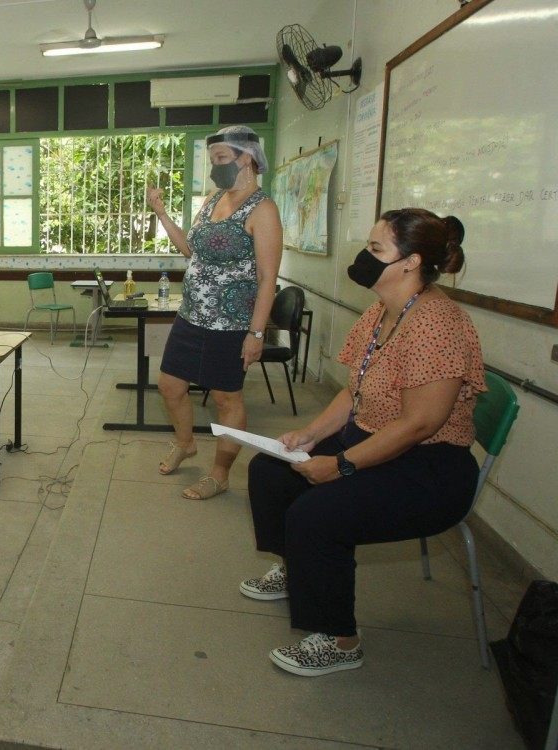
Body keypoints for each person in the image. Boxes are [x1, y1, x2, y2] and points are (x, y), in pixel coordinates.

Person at [242, 208, 484, 676]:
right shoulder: (382, 311)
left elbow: (419, 425)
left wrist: (342, 465)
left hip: (428, 467)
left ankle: (340, 640)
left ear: (411, 262)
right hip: (373, 440)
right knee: (270, 469)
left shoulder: (437, 325)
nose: (364, 258)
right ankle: (298, 569)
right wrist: (310, 435)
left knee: (318, 514)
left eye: (376, 250)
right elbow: (354, 389)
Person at [145, 125, 283, 500]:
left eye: (221, 159)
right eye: (213, 160)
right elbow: (191, 250)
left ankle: (220, 473)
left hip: (232, 323)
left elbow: (268, 278)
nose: (215, 167)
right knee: (170, 386)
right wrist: (160, 212)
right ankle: (186, 442)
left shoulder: (263, 209)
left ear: (248, 158)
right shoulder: (212, 199)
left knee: (227, 400)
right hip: (191, 315)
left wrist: (256, 334)